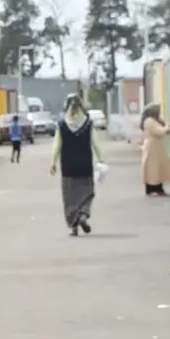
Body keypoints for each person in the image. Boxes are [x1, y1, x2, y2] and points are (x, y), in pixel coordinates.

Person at [49, 94, 104, 237]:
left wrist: (53, 163)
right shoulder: (88, 124)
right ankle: (83, 214)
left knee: (70, 197)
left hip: (68, 166)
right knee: (87, 192)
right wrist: (101, 159)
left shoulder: (62, 124)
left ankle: (74, 226)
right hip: (85, 164)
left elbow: (57, 145)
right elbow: (95, 143)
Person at [140, 104, 170, 197]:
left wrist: (169, 127)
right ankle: (151, 189)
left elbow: (163, 131)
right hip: (152, 147)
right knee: (152, 169)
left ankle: (159, 188)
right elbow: (159, 132)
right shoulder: (149, 121)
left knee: (160, 168)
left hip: (158, 147)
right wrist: (168, 127)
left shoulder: (157, 120)